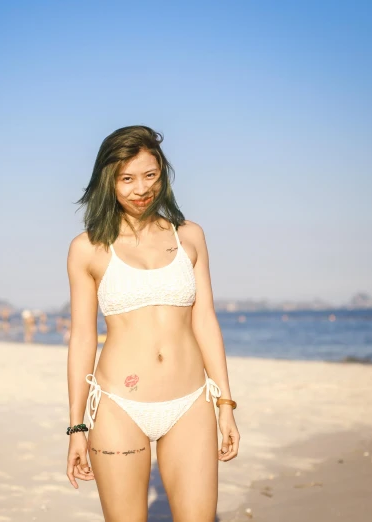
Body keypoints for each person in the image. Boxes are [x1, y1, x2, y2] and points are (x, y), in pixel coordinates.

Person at [65, 126, 240, 521]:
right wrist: (76, 427)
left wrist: (226, 403)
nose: (140, 189)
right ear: (107, 181)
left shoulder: (189, 237)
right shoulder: (87, 248)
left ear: (163, 175)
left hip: (191, 402)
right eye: (127, 178)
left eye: (150, 175)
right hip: (118, 407)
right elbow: (81, 340)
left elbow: (206, 320)